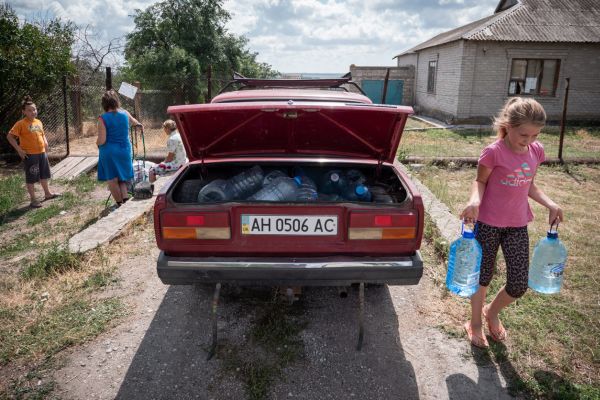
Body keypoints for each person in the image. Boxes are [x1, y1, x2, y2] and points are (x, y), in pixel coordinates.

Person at [460, 97, 564, 348]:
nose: (528, 141)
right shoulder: (493, 152)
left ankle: (491, 312)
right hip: (488, 223)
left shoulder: (536, 151)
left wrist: (550, 203)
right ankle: (474, 323)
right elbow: (480, 181)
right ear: (508, 125)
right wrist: (474, 201)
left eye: (535, 135)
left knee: (518, 284)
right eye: (523, 134)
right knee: (482, 277)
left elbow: (527, 184)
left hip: (517, 224)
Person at [6, 96, 60, 208]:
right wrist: (19, 150)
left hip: (42, 153)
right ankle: (33, 199)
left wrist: (45, 142)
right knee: (31, 177)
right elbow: (10, 137)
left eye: (34, 109)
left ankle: (48, 194)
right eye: (29, 110)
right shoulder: (20, 124)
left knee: (44, 175)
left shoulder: (39, 122)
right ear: (24, 112)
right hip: (30, 155)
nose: (33, 112)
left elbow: (42, 134)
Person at [97, 90, 142, 209]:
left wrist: (96, 143)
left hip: (110, 151)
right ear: (116, 101)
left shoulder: (103, 118)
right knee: (122, 177)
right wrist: (137, 125)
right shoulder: (125, 113)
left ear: (104, 103)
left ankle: (119, 204)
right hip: (125, 150)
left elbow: (102, 140)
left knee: (112, 179)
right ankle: (125, 201)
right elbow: (136, 123)